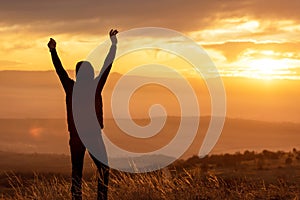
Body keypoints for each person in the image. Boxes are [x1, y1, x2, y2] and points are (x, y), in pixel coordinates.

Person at [48, 29, 118, 200]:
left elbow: (60, 71)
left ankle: (76, 198)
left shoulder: (71, 88)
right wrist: (113, 45)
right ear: (90, 73)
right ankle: (102, 198)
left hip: (76, 136)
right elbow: (107, 67)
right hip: (93, 135)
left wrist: (53, 51)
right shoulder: (94, 87)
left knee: (76, 172)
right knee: (103, 169)